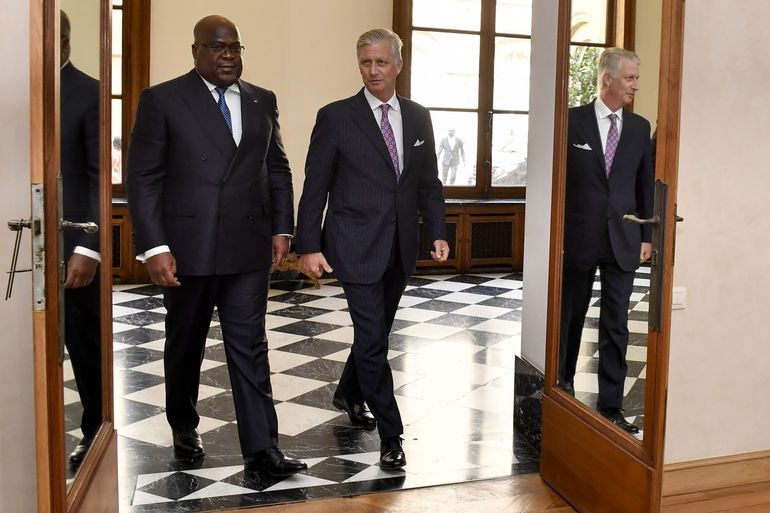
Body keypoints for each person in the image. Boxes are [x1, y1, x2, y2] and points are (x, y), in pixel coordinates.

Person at [126, 15, 306, 477]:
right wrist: (153, 246)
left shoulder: (262, 99)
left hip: (247, 246)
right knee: (185, 343)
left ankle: (263, 448)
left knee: (250, 344)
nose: (229, 56)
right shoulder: (163, 99)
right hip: (188, 249)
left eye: (235, 48)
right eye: (218, 47)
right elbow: (144, 180)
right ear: (196, 51)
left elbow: (278, 168)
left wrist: (283, 229)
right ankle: (183, 422)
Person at [295, 28, 449, 470]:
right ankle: (392, 434)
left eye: (382, 62)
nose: (374, 70)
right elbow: (315, 185)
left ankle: (347, 392)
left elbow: (428, 183)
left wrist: (436, 231)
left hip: (400, 246)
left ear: (399, 64)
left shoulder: (418, 117)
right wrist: (308, 245)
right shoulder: (336, 116)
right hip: (354, 243)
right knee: (373, 340)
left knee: (373, 335)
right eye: (366, 62)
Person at [558, 47, 654, 435]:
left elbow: (644, 185)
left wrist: (647, 234)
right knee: (570, 317)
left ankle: (612, 405)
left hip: (625, 239)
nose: (635, 84)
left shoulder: (638, 127)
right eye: (630, 77)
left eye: (636, 77)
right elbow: (558, 184)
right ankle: (562, 386)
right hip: (578, 238)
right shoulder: (570, 121)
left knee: (617, 325)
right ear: (608, 78)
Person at [60, 10, 102, 469]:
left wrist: (88, 247)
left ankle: (93, 430)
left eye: (64, 39)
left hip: (73, 241)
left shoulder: (88, 92)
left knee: (83, 343)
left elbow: (97, 179)